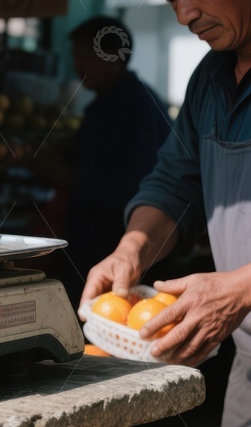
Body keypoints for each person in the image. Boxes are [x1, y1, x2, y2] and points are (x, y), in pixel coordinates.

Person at [80, 0, 251, 427]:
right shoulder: (209, 80)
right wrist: (132, 250)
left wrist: (241, 288)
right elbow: (174, 184)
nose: (183, 15)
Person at [28, 16, 171, 305]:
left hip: (111, 248)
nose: (76, 66)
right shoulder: (109, 103)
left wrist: (54, 172)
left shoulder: (133, 107)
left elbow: (124, 187)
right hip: (91, 245)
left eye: (82, 56)